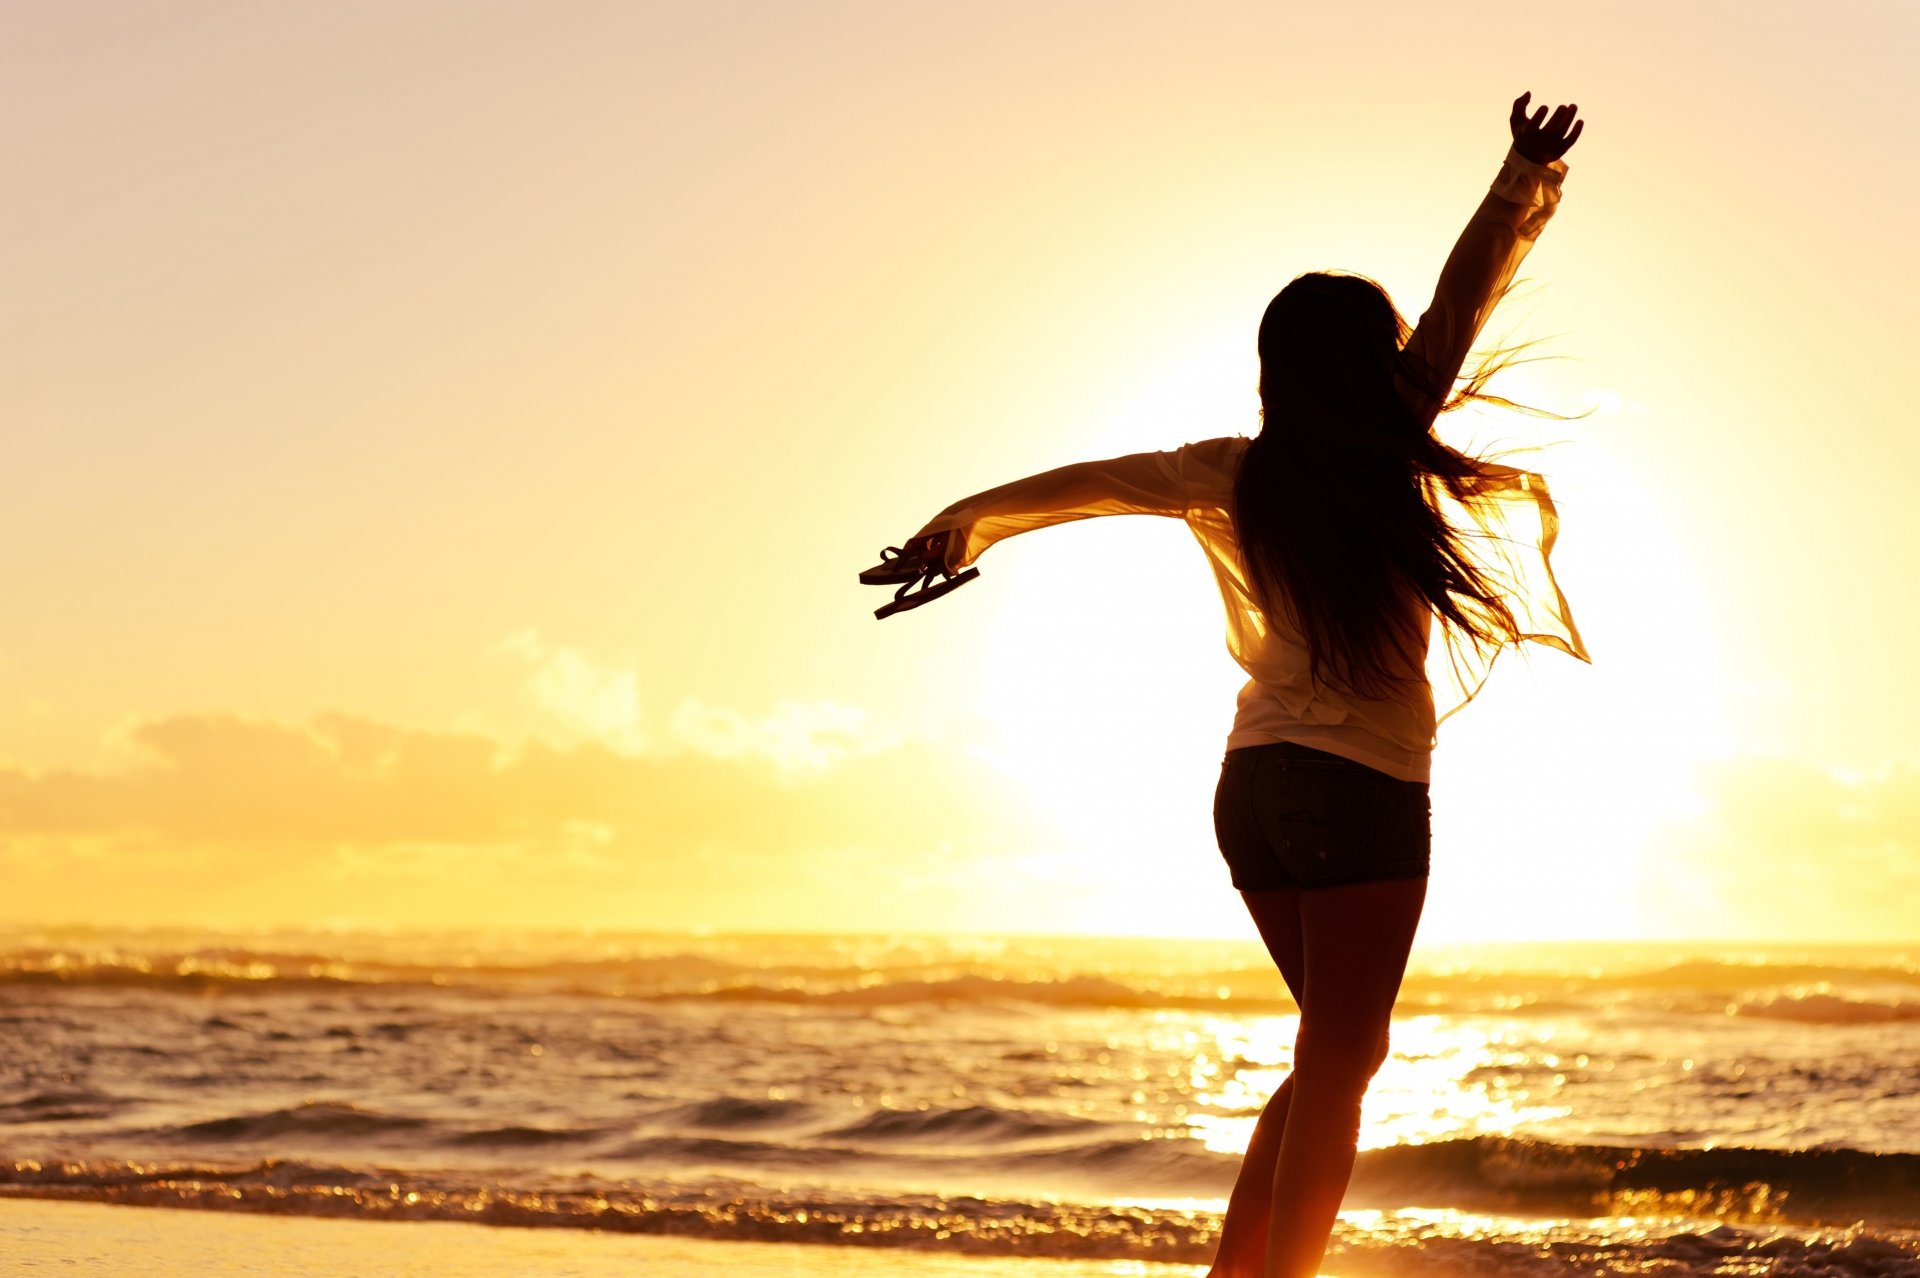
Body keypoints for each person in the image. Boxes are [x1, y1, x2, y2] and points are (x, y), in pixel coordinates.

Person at [878, 93, 1588, 1278]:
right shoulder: (1392, 430)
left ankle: (1238, 1271)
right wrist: (1523, 176)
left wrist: (961, 528)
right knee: (1342, 1068)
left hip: (1250, 792)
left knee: (1332, 1056)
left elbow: (1087, 483)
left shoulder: (1227, 472)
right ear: (1378, 360)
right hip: (1359, 789)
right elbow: (1471, 294)